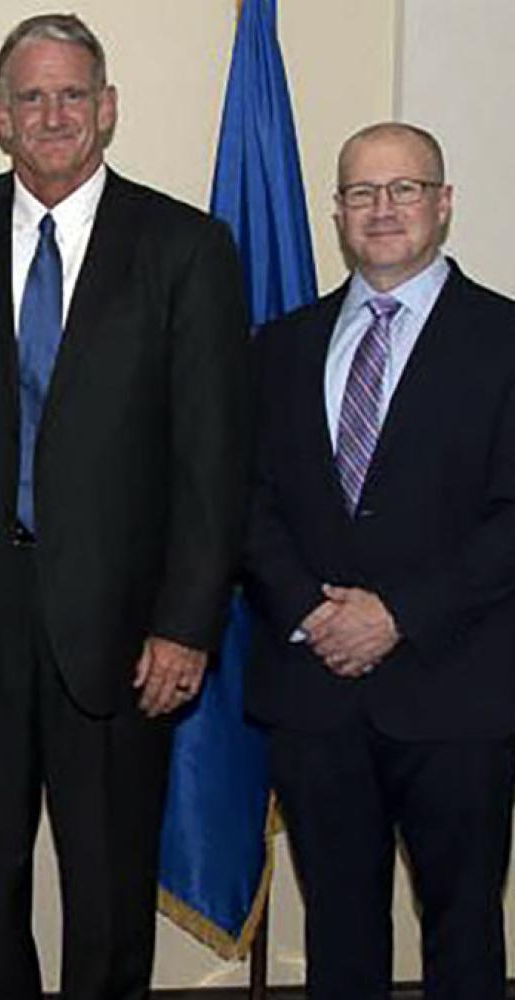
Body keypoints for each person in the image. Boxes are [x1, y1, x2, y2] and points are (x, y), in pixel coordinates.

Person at [0, 14, 251, 999]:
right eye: (30, 96)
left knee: (106, 897)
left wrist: (185, 626)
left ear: (107, 109)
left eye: (71, 94)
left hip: (122, 629)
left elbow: (213, 459)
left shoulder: (186, 246)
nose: (52, 114)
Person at [243, 122, 515, 999]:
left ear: (444, 204)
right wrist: (316, 615)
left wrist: (397, 616)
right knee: (339, 939)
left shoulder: (505, 338)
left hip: (458, 690)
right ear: (336, 212)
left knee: (464, 934)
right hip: (315, 692)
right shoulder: (278, 347)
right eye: (363, 192)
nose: (383, 209)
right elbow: (245, 503)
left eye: (404, 189)